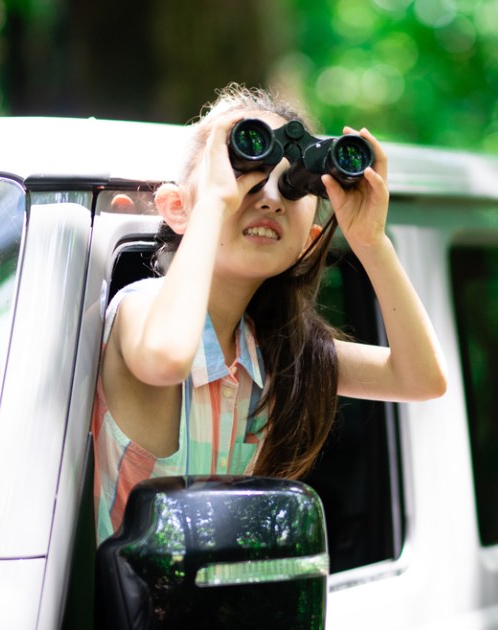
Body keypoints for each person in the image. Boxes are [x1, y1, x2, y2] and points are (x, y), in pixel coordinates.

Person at [91, 84, 448, 541]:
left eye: (292, 186)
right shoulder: (142, 310)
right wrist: (215, 203)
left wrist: (370, 242)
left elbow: (421, 378)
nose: (271, 199)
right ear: (177, 209)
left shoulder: (271, 356)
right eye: (245, 175)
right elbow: (166, 357)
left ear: (309, 239)